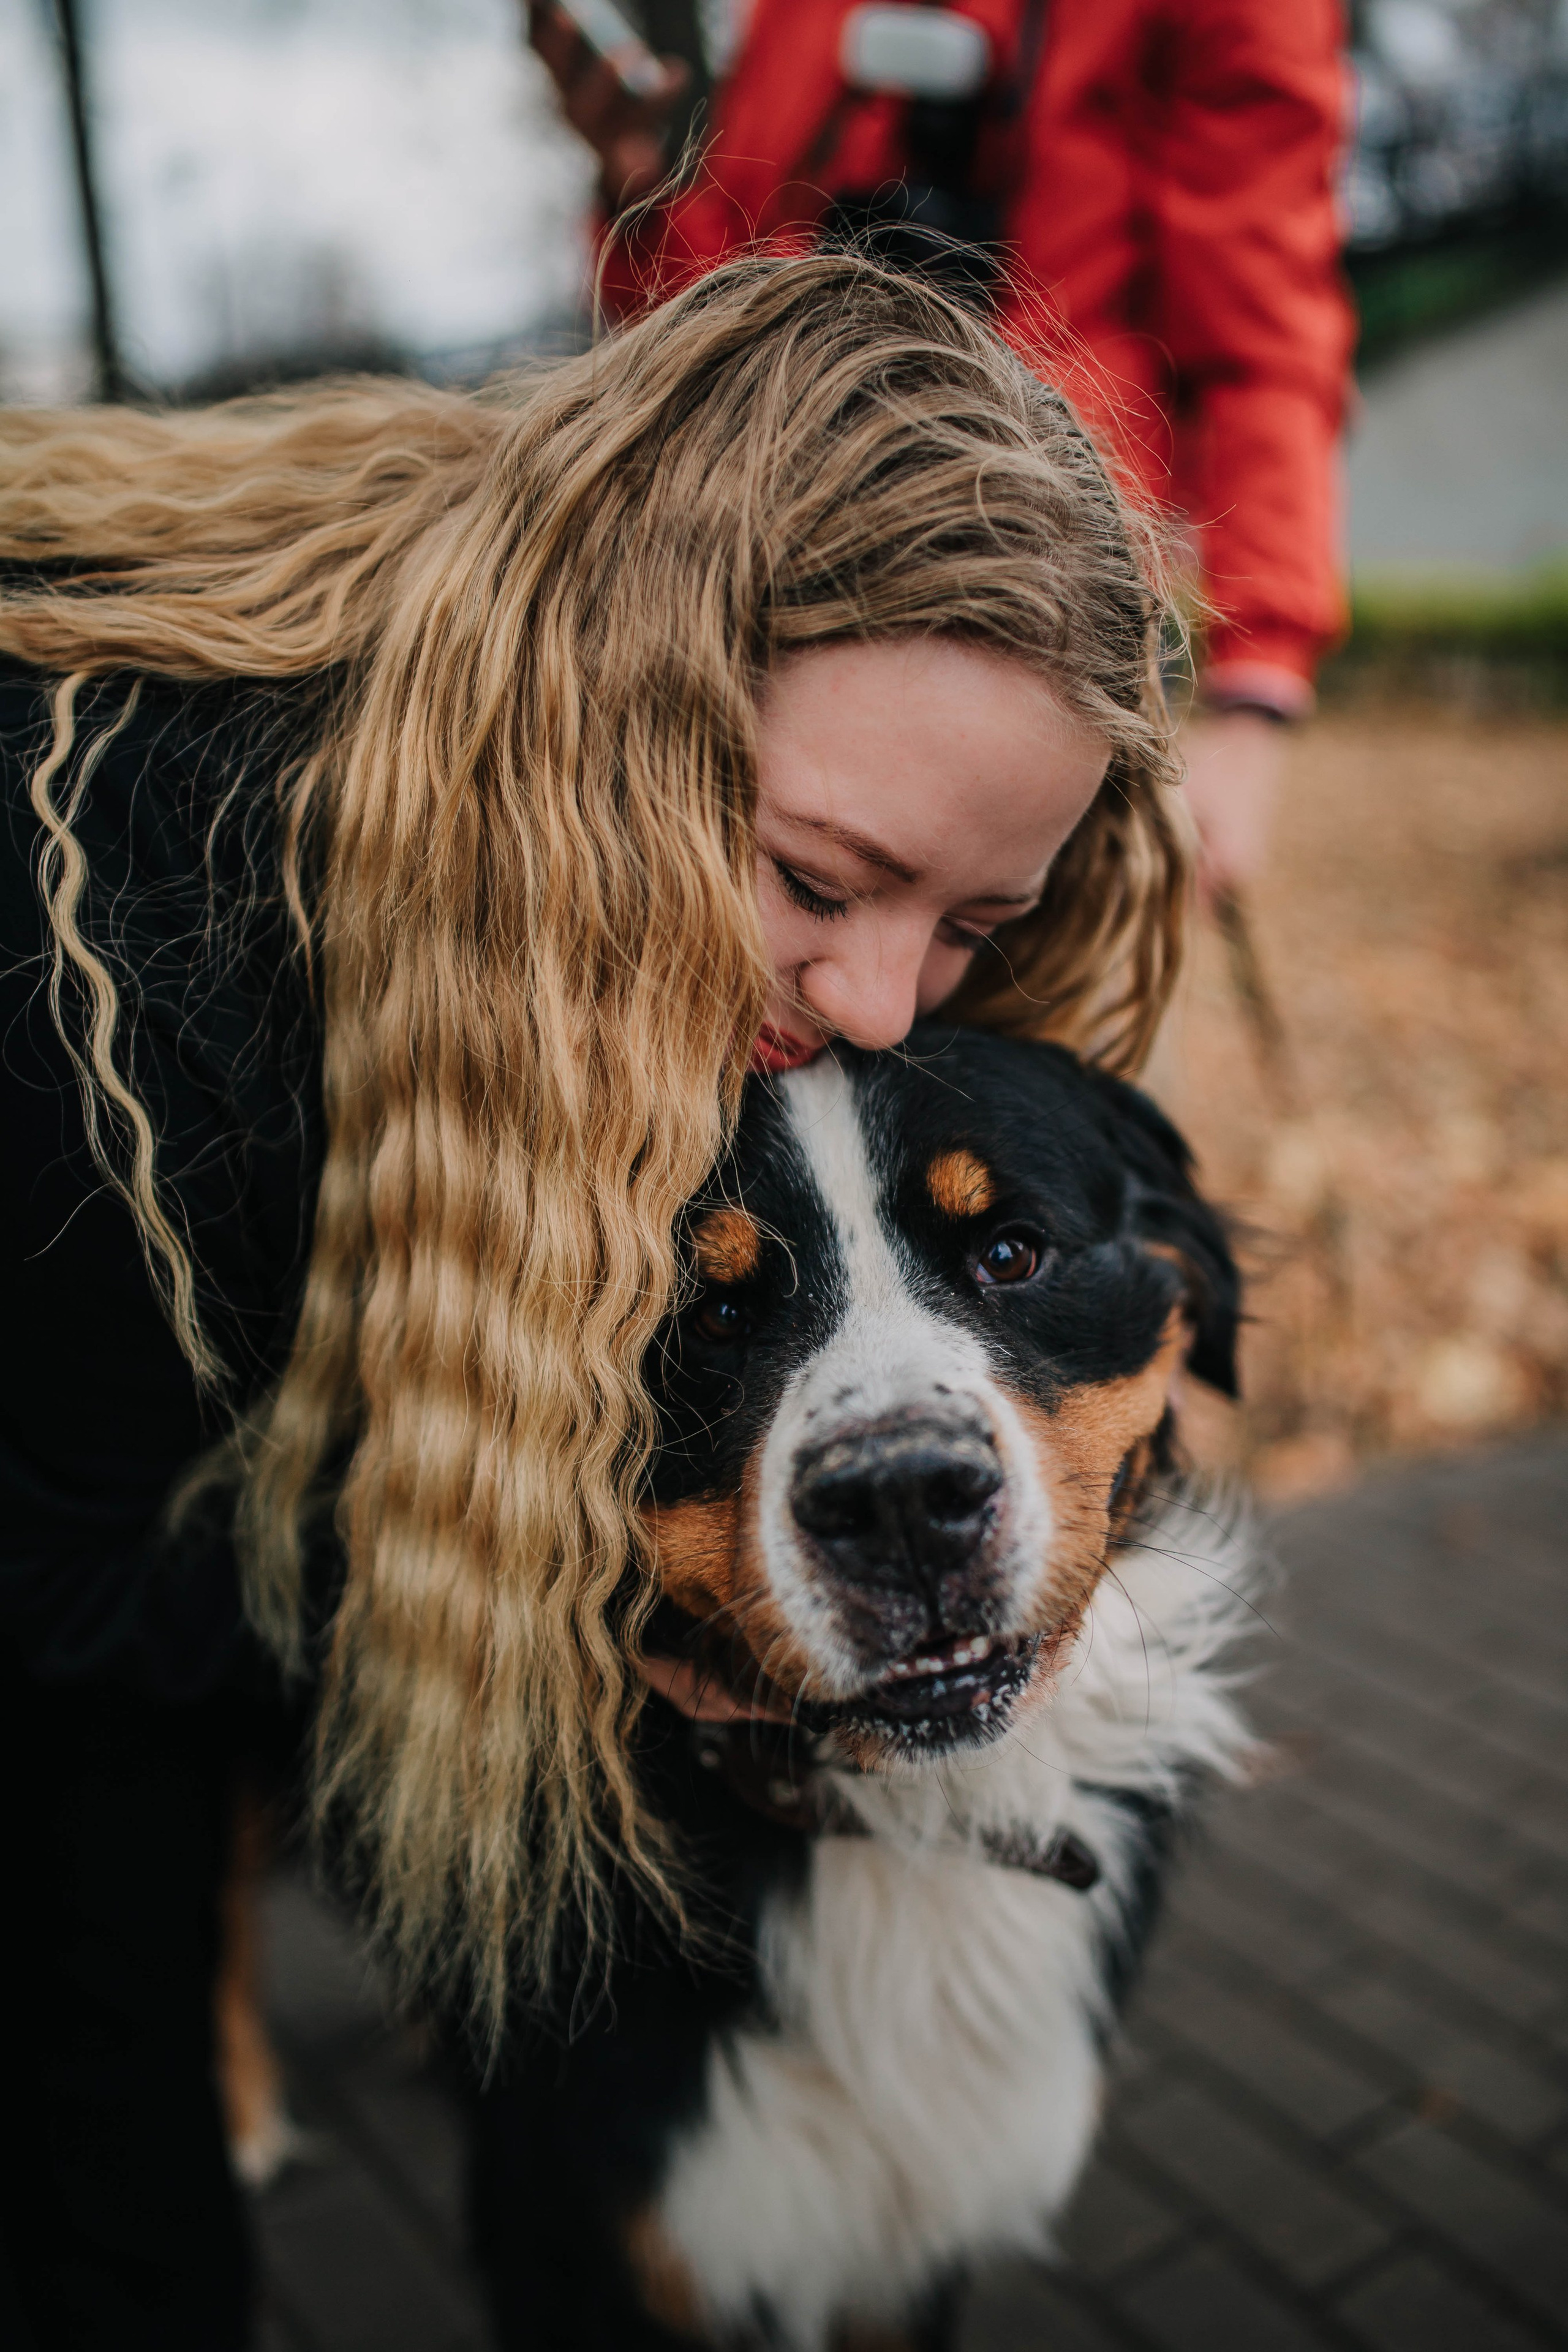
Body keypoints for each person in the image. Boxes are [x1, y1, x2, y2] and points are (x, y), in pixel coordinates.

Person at [0, 254, 1183, 2346]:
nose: (878, 1006)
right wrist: (566, 1576)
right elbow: (72, 1598)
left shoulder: (644, 918)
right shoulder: (102, 928)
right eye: (820, 879)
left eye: (969, 925)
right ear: (610, 702)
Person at [527, 0, 1355, 897]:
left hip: (1043, 602)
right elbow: (733, 293)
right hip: (751, 576)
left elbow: (1260, 328)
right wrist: (637, 188)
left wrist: (1255, 693)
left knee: (1012, 992)